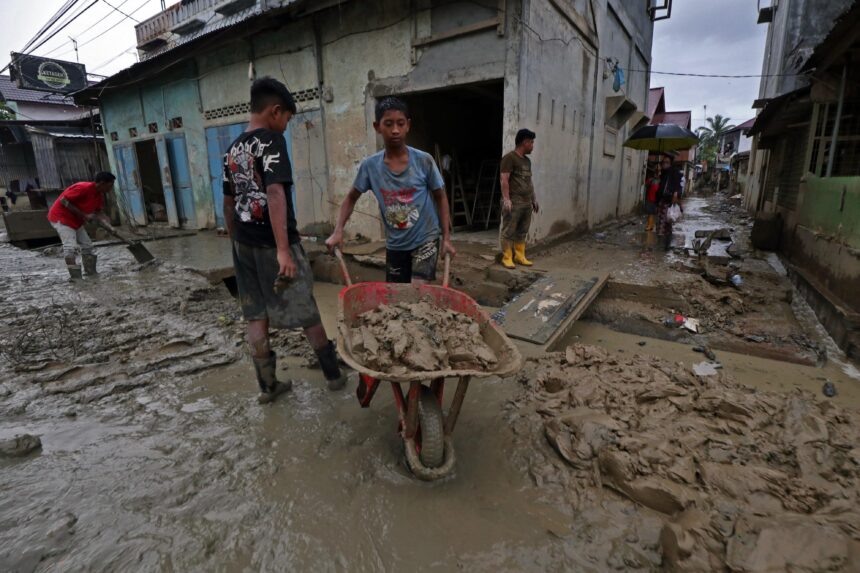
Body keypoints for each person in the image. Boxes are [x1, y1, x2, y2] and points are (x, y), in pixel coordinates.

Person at [223, 77, 345, 404]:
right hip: (275, 244)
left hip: (243, 246)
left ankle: (268, 387)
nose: (286, 127)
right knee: (306, 307)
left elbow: (228, 201)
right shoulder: (271, 142)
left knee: (255, 315)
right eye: (288, 119)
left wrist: (236, 243)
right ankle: (334, 375)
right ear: (276, 111)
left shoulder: (232, 148)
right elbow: (275, 193)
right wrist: (282, 250)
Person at [325, 97, 455, 284]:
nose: (395, 130)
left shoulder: (423, 161)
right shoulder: (370, 167)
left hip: (425, 238)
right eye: (388, 124)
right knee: (395, 300)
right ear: (377, 127)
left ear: (408, 126)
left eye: (400, 124)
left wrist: (447, 238)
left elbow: (440, 197)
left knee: (417, 292)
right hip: (396, 244)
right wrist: (338, 231)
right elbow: (350, 198)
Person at [47, 172, 116, 280]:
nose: (111, 188)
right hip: (61, 218)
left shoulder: (98, 195)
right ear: (102, 183)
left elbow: (99, 212)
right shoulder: (83, 188)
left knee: (87, 245)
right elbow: (64, 200)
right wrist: (85, 215)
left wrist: (108, 224)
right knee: (70, 247)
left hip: (76, 221)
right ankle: (75, 278)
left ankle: (90, 273)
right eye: (110, 185)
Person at [499, 129, 539, 269]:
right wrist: (506, 200)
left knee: (522, 231)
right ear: (525, 142)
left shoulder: (527, 161)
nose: (533, 145)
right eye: (532, 142)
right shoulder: (509, 158)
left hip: (526, 202)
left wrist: (534, 199)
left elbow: (529, 182)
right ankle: (507, 257)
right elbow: (504, 179)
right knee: (509, 231)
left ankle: (520, 256)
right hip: (514, 202)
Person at [656, 155, 682, 249]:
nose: (665, 164)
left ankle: (664, 246)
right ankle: (662, 246)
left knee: (666, 224)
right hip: (661, 202)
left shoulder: (674, 173)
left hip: (669, 203)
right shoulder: (663, 174)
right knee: (660, 224)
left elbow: (679, 186)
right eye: (663, 162)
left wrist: (676, 193)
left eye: (667, 162)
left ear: (670, 164)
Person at [644, 164, 661, 232]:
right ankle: (650, 225)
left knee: (651, 213)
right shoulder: (651, 180)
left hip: (654, 199)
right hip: (650, 198)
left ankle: (650, 225)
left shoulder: (660, 180)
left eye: (658, 171)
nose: (657, 173)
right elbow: (646, 185)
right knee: (650, 213)